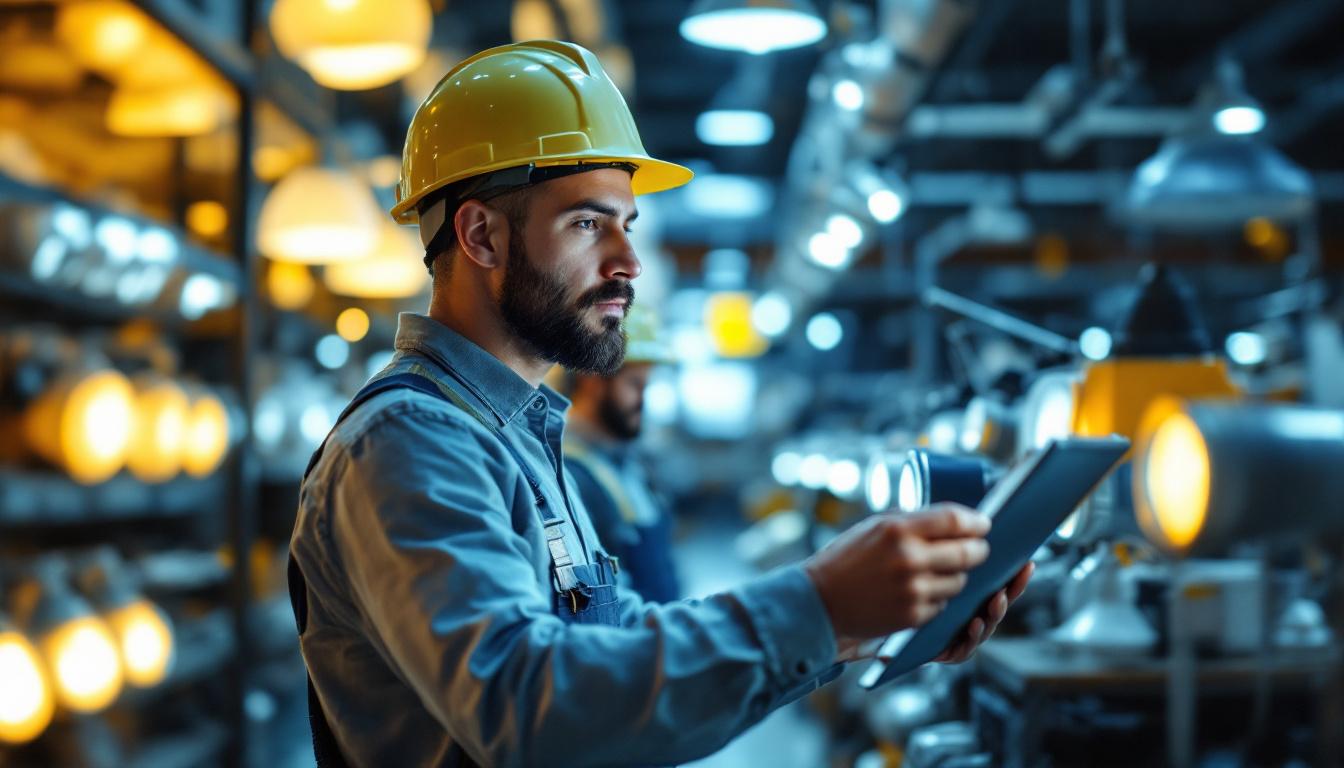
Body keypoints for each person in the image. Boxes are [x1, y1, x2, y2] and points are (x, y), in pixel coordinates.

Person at [287, 40, 1032, 768]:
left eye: (626, 225)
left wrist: (860, 620)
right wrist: (820, 603)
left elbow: (612, 640)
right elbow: (526, 707)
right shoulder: (411, 441)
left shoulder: (515, 437)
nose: (629, 263)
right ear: (481, 235)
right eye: (587, 224)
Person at [564, 304, 680, 603]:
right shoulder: (570, 473)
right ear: (592, 378)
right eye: (634, 385)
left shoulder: (627, 463)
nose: (644, 400)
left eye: (647, 386)